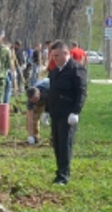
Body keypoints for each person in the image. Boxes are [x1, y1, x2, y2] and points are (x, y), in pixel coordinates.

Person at [45, 40, 87, 185]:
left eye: (57, 55)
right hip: (56, 113)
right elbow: (52, 92)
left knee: (65, 144)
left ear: (66, 53)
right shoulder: (56, 71)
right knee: (56, 144)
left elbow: (81, 92)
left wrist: (76, 111)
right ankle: (59, 171)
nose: (54, 59)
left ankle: (64, 176)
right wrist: (47, 110)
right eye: (52, 56)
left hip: (68, 114)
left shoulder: (76, 69)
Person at [25, 77, 49, 145]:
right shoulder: (30, 101)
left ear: (39, 93)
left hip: (53, 98)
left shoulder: (47, 91)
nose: (34, 101)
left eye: (35, 99)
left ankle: (54, 138)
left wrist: (47, 112)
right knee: (34, 117)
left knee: (56, 118)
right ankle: (35, 137)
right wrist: (30, 135)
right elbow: (30, 119)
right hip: (42, 99)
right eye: (32, 100)